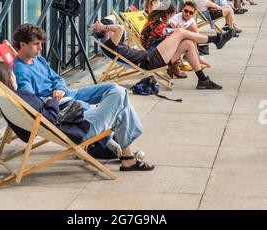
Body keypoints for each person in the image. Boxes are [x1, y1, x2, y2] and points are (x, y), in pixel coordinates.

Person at [12, 23, 154, 172]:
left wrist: (59, 88)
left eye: (41, 44)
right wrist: (53, 100)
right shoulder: (20, 70)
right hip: (62, 107)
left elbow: (57, 78)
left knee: (114, 88)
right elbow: (31, 100)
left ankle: (117, 149)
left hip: (67, 94)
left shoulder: (38, 59)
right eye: (36, 44)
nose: (40, 48)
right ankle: (124, 153)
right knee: (119, 98)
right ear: (22, 44)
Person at [93, 17, 234, 91]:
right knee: (179, 32)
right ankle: (217, 39)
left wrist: (104, 28)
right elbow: (120, 28)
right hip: (149, 61)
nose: (112, 30)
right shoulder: (109, 44)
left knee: (188, 44)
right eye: (109, 29)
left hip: (151, 57)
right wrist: (104, 27)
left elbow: (118, 28)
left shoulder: (112, 43)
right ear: (108, 32)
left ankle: (203, 81)